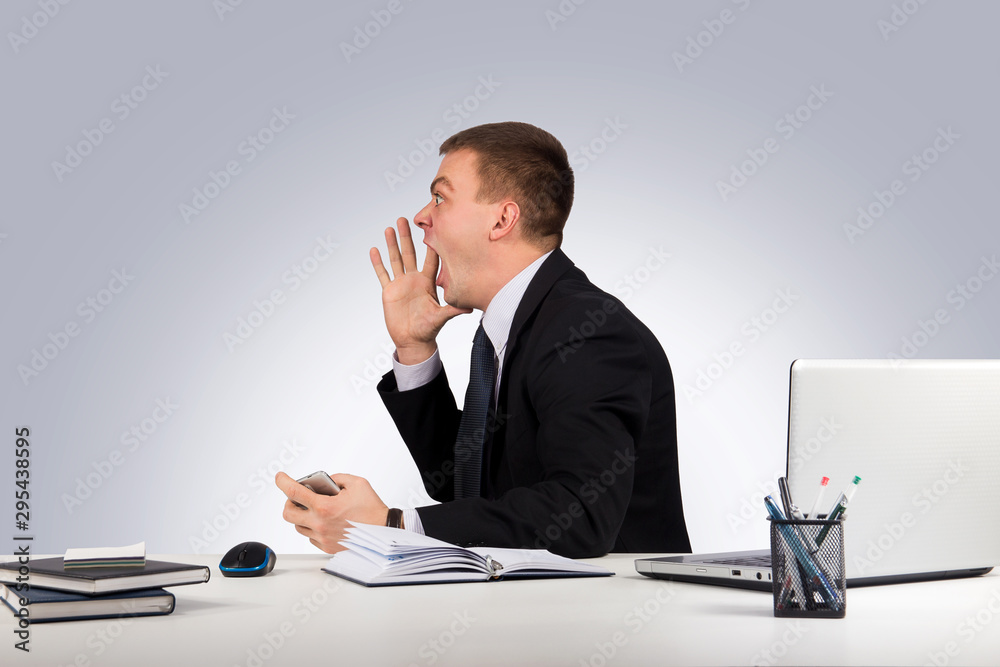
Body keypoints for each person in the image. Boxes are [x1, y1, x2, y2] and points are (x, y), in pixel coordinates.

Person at [276, 121, 690, 558]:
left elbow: (582, 517)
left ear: (502, 219)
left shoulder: (587, 330)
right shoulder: (510, 327)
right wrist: (415, 350)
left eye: (440, 197)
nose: (421, 216)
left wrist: (393, 526)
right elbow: (459, 482)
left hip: (614, 615)